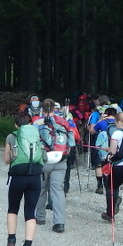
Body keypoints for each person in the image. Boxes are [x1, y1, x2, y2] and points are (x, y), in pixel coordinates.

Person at [3, 110, 43, 246]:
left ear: (16, 125)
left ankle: (11, 243)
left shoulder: (11, 136)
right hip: (35, 178)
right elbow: (44, 157)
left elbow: (6, 160)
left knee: (13, 209)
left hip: (18, 177)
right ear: (30, 123)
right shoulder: (36, 136)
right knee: (30, 212)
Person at [33, 98, 75, 233]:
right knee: (58, 191)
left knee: (41, 189)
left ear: (42, 109)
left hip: (44, 160)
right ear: (54, 109)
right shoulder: (63, 122)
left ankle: (40, 217)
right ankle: (59, 222)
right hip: (61, 160)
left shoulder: (37, 123)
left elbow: (33, 140)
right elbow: (73, 140)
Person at [101, 111, 123, 222]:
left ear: (119, 122)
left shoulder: (116, 134)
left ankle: (110, 213)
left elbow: (113, 152)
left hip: (119, 165)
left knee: (111, 187)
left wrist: (108, 150)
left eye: (115, 123)